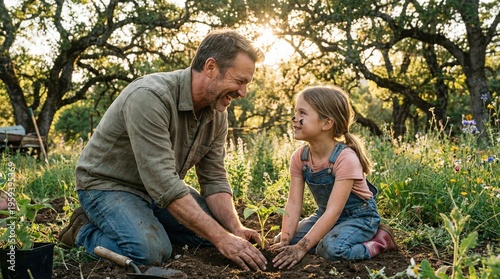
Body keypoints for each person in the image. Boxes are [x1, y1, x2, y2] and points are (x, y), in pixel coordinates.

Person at [58, 28, 268, 271]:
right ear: (211, 67)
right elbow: (165, 184)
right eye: (240, 81)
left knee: (210, 238)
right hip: (107, 185)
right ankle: (82, 230)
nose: (242, 92)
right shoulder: (149, 97)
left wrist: (234, 230)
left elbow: (214, 179)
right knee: (150, 252)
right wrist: (222, 238)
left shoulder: (217, 113)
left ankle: (141, 222)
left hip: (155, 191)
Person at [270, 85, 397, 269]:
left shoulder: (345, 158)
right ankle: (320, 238)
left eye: (302, 113)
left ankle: (379, 241)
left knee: (330, 250)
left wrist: (301, 248)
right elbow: (293, 203)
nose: (294, 118)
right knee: (283, 240)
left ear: (326, 123)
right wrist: (286, 240)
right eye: (295, 112)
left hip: (359, 218)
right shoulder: (300, 157)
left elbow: (334, 211)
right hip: (325, 215)